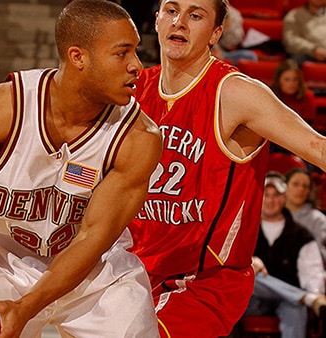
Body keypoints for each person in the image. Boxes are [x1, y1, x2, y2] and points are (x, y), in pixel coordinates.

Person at [0, 0, 163, 337]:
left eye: (136, 52)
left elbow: (92, 239)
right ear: (78, 57)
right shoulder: (3, 109)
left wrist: (26, 308)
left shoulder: (138, 137)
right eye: (122, 53)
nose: (137, 66)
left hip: (94, 276)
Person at [129, 0, 326, 337]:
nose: (179, 22)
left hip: (202, 281)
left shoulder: (236, 92)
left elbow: (318, 148)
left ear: (216, 33)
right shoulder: (135, 90)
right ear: (157, 19)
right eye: (171, 10)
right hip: (135, 268)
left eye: (195, 15)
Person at [243, 172, 326, 338]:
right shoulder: (243, 230)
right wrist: (250, 262)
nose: (271, 200)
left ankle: (302, 298)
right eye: (266, 195)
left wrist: (315, 291)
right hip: (252, 299)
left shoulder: (302, 235)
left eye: (276, 195)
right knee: (249, 274)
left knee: (295, 309)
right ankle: (304, 298)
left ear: (284, 199)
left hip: (288, 302)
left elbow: (312, 273)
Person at [285, 167, 326, 262]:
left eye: (305, 186)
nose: (300, 189)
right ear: (284, 186)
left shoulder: (319, 220)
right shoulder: (271, 214)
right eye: (296, 184)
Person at [270, 59, 316, 124]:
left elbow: (308, 124)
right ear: (278, 80)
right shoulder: (270, 95)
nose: (291, 83)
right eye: (287, 80)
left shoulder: (307, 96)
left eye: (295, 79)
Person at [282, 0, 326, 64]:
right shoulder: (294, 15)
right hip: (308, 55)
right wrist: (313, 50)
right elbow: (291, 40)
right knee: (292, 64)